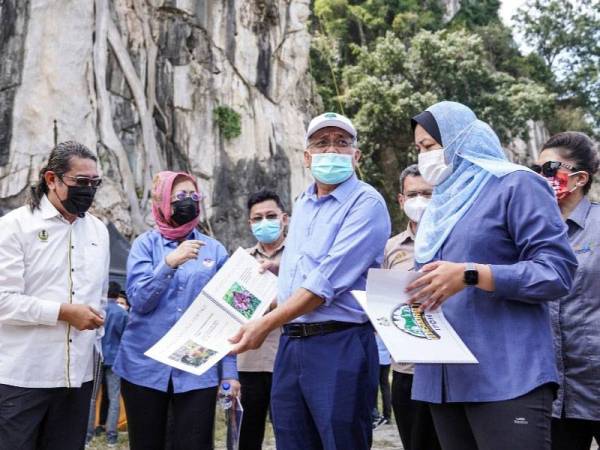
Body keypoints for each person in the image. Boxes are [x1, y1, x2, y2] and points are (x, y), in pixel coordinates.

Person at [404, 101, 577, 450]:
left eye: (430, 146)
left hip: (506, 375)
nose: (424, 157)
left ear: (459, 140)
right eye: (419, 149)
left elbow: (556, 271)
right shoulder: (440, 204)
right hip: (444, 377)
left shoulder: (516, 185)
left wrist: (472, 274)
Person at [230, 112, 391, 450]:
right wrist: (281, 272)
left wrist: (264, 324)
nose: (331, 150)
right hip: (291, 345)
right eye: (321, 143)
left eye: (341, 143)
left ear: (356, 155)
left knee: (339, 440)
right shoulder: (303, 203)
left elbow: (324, 283)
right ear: (306, 157)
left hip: (339, 343)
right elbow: (305, 266)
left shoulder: (366, 203)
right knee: (292, 439)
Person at [113, 171, 239, 450]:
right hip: (143, 368)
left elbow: (227, 316)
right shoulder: (144, 245)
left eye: (194, 196)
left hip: (197, 370)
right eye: (180, 196)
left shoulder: (215, 251)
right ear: (162, 201)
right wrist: (169, 263)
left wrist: (229, 372)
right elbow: (139, 300)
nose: (188, 202)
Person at [0, 141, 109, 450]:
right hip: (22, 378)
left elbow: (99, 296)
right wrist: (63, 311)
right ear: (52, 179)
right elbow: (3, 301)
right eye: (80, 182)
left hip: (77, 379)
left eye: (94, 183)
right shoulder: (13, 227)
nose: (88, 190)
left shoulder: (99, 232)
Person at [533, 132, 600, 450]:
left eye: (548, 169)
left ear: (579, 178)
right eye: (536, 170)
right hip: (553, 390)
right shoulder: (531, 232)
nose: (539, 178)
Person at [383, 164, 441, 450]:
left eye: (427, 193)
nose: (420, 200)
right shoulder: (391, 248)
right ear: (401, 200)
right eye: (413, 194)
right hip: (407, 371)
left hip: (449, 370)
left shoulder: (454, 238)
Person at [238, 189, 288, 450]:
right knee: (247, 434)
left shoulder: (298, 258)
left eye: (271, 216)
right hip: (249, 362)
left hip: (288, 359)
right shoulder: (241, 262)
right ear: (250, 223)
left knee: (291, 432)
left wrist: (268, 301)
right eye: (257, 218)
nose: (264, 222)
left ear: (285, 219)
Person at [86, 281, 128, 446]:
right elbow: (126, 338)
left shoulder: (98, 311)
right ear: (118, 295)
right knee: (114, 398)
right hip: (115, 359)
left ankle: (87, 436)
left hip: (97, 356)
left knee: (91, 397)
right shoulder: (123, 313)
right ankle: (112, 436)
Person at [372, 334, 392, 429]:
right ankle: (387, 415)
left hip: (376, 360)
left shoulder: (374, 332)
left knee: (374, 387)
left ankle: (375, 414)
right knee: (385, 387)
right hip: (386, 360)